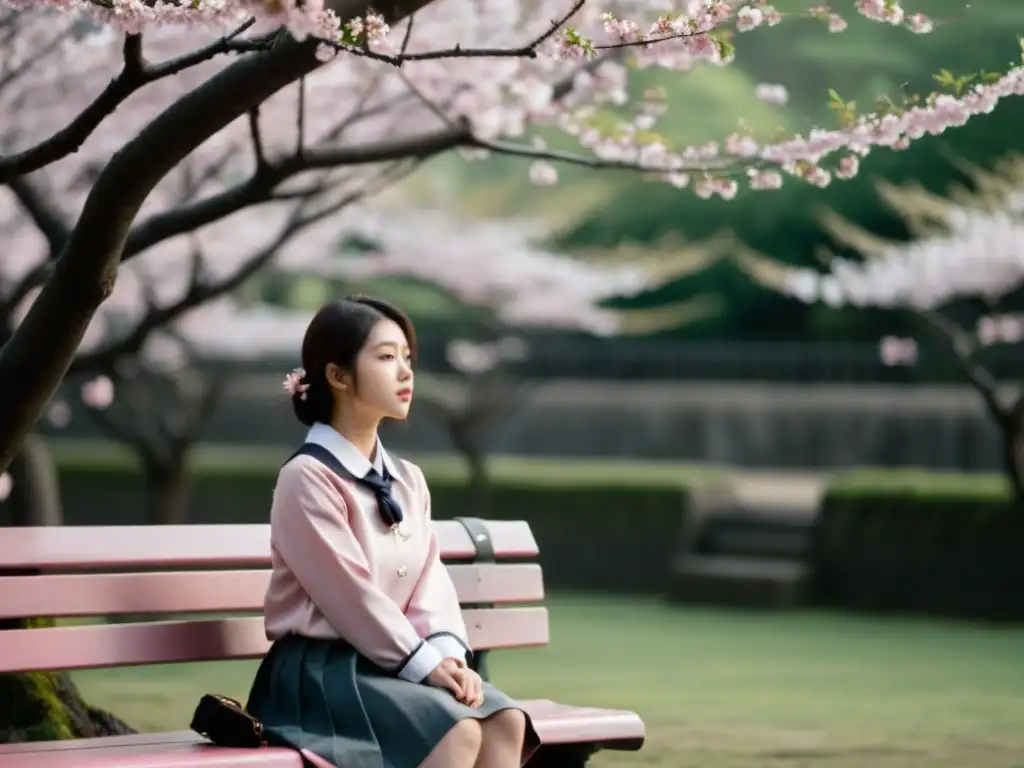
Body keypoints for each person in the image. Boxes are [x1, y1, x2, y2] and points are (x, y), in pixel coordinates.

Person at [245, 295, 539, 768]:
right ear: (338, 375)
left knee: (506, 721)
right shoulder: (307, 478)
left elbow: (430, 581)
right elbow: (349, 595)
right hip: (319, 675)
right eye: (385, 357)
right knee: (456, 730)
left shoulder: (408, 479)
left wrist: (447, 655)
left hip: (391, 663)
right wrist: (424, 665)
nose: (405, 372)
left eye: (406, 357)